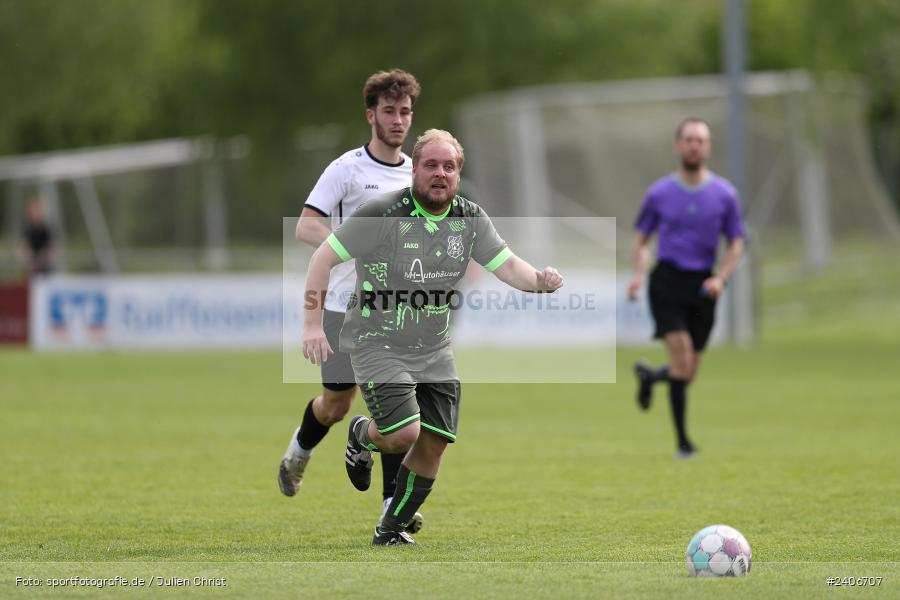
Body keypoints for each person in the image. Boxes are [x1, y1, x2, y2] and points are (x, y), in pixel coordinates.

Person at [302, 129, 564, 545]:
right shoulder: (383, 213)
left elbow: (508, 265)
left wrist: (540, 281)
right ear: (415, 170)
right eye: (431, 165)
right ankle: (359, 435)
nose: (440, 173)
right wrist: (313, 325)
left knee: (436, 441)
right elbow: (322, 256)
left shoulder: (469, 219)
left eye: (449, 166)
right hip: (377, 341)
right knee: (404, 433)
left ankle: (388, 531)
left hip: (434, 349)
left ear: (458, 173)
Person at [278, 69, 424, 531]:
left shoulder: (416, 172)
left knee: (394, 402)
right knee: (336, 406)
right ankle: (299, 450)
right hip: (344, 307)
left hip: (395, 308)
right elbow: (305, 226)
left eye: (405, 112)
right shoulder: (347, 169)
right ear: (371, 115)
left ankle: (390, 506)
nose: (398, 120)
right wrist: (355, 244)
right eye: (389, 111)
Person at [626, 117, 745, 459]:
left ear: (708, 148)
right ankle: (683, 443)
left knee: (687, 371)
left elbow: (736, 243)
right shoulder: (659, 193)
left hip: (704, 286)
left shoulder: (725, 194)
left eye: (701, 140)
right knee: (680, 355)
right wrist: (638, 273)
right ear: (678, 145)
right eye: (689, 139)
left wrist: (721, 278)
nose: (694, 145)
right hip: (666, 281)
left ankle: (650, 377)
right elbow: (642, 239)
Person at [18, 197, 54, 276]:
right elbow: (24, 246)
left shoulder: (45, 229)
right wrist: (28, 259)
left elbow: (49, 247)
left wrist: (42, 259)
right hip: (31, 265)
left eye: (38, 210)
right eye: (34, 211)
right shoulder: (27, 228)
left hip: (44, 266)